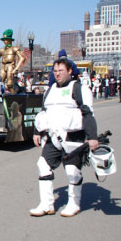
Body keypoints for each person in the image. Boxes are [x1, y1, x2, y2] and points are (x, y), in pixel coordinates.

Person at [30, 58, 99, 218]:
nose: (57, 73)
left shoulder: (80, 89)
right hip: (52, 136)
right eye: (55, 70)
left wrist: (92, 137)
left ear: (69, 71)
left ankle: (74, 203)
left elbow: (88, 114)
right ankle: (46, 204)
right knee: (43, 165)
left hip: (73, 137)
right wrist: (37, 132)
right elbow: (43, 113)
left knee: (72, 171)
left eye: (60, 70)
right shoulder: (50, 90)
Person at [0, 29, 26, 94]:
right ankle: (0, 97)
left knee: (10, 84)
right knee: (0, 83)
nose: (5, 41)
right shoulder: (2, 50)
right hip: (3, 66)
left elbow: (22, 58)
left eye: (6, 39)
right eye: (4, 40)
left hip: (10, 66)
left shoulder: (14, 49)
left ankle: (13, 97)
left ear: (10, 40)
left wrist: (16, 69)